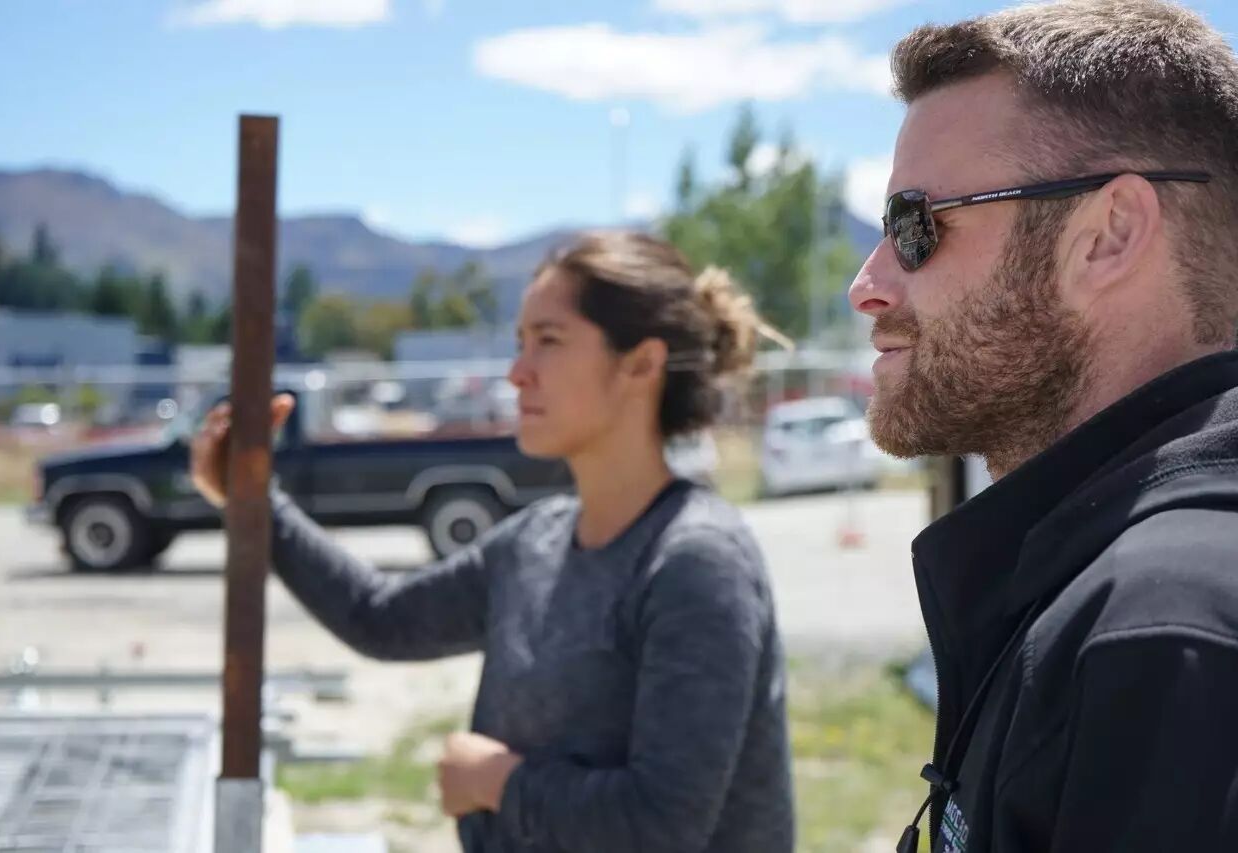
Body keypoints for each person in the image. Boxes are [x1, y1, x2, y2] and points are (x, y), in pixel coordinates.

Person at [192, 232, 794, 853]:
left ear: (641, 365)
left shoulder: (695, 564)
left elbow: (661, 827)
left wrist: (495, 781)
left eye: (548, 341)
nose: (517, 373)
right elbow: (380, 617)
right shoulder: (534, 542)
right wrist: (254, 502)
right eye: (519, 343)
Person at [852, 1, 1238, 851]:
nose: (867, 284)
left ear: (1109, 235)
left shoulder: (1164, 632)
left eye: (914, 225)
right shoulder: (1103, 579)